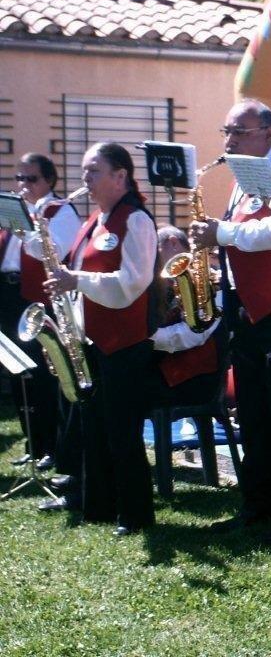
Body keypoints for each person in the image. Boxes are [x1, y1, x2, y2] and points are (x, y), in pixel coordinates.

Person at [190, 99, 271, 542]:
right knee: (254, 413)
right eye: (226, 130)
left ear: (268, 132)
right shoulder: (243, 179)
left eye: (238, 132)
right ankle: (259, 504)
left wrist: (222, 233)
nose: (228, 140)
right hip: (245, 310)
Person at [44, 142, 158, 536]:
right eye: (83, 171)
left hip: (126, 343)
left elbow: (133, 283)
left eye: (93, 170)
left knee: (123, 431)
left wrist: (78, 280)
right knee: (95, 428)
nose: (85, 179)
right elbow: (76, 275)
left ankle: (136, 514)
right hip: (93, 340)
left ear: (120, 176)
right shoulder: (94, 220)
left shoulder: (136, 220)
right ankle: (100, 506)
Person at [0, 154, 80, 481]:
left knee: (43, 375)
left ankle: (52, 446)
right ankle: (34, 444)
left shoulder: (59, 211)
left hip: (37, 298)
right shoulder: (16, 211)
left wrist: (22, 231)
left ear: (49, 180)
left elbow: (57, 251)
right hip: (8, 294)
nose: (23, 185)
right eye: (20, 178)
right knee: (18, 372)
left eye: (31, 179)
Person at [151, 225, 222, 408]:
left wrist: (148, 338)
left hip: (194, 378)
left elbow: (194, 335)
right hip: (169, 369)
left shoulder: (210, 279)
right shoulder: (162, 281)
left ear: (172, 242)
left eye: (155, 250)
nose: (152, 259)